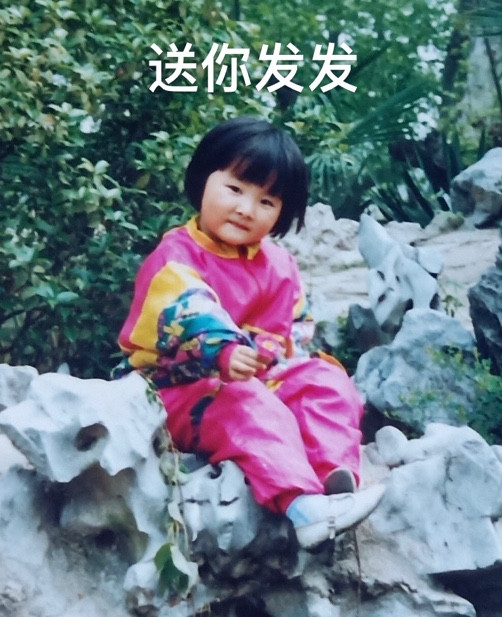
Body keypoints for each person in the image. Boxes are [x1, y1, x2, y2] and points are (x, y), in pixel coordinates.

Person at [114, 116, 384, 549]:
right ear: (203, 179)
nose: (246, 208)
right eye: (235, 189)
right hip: (176, 390)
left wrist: (273, 356)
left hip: (254, 377)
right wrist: (224, 350)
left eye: (266, 201)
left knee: (325, 379)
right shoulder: (175, 255)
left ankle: (336, 479)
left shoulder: (278, 265)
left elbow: (292, 328)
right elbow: (187, 307)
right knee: (244, 402)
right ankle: (303, 507)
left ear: (282, 213)